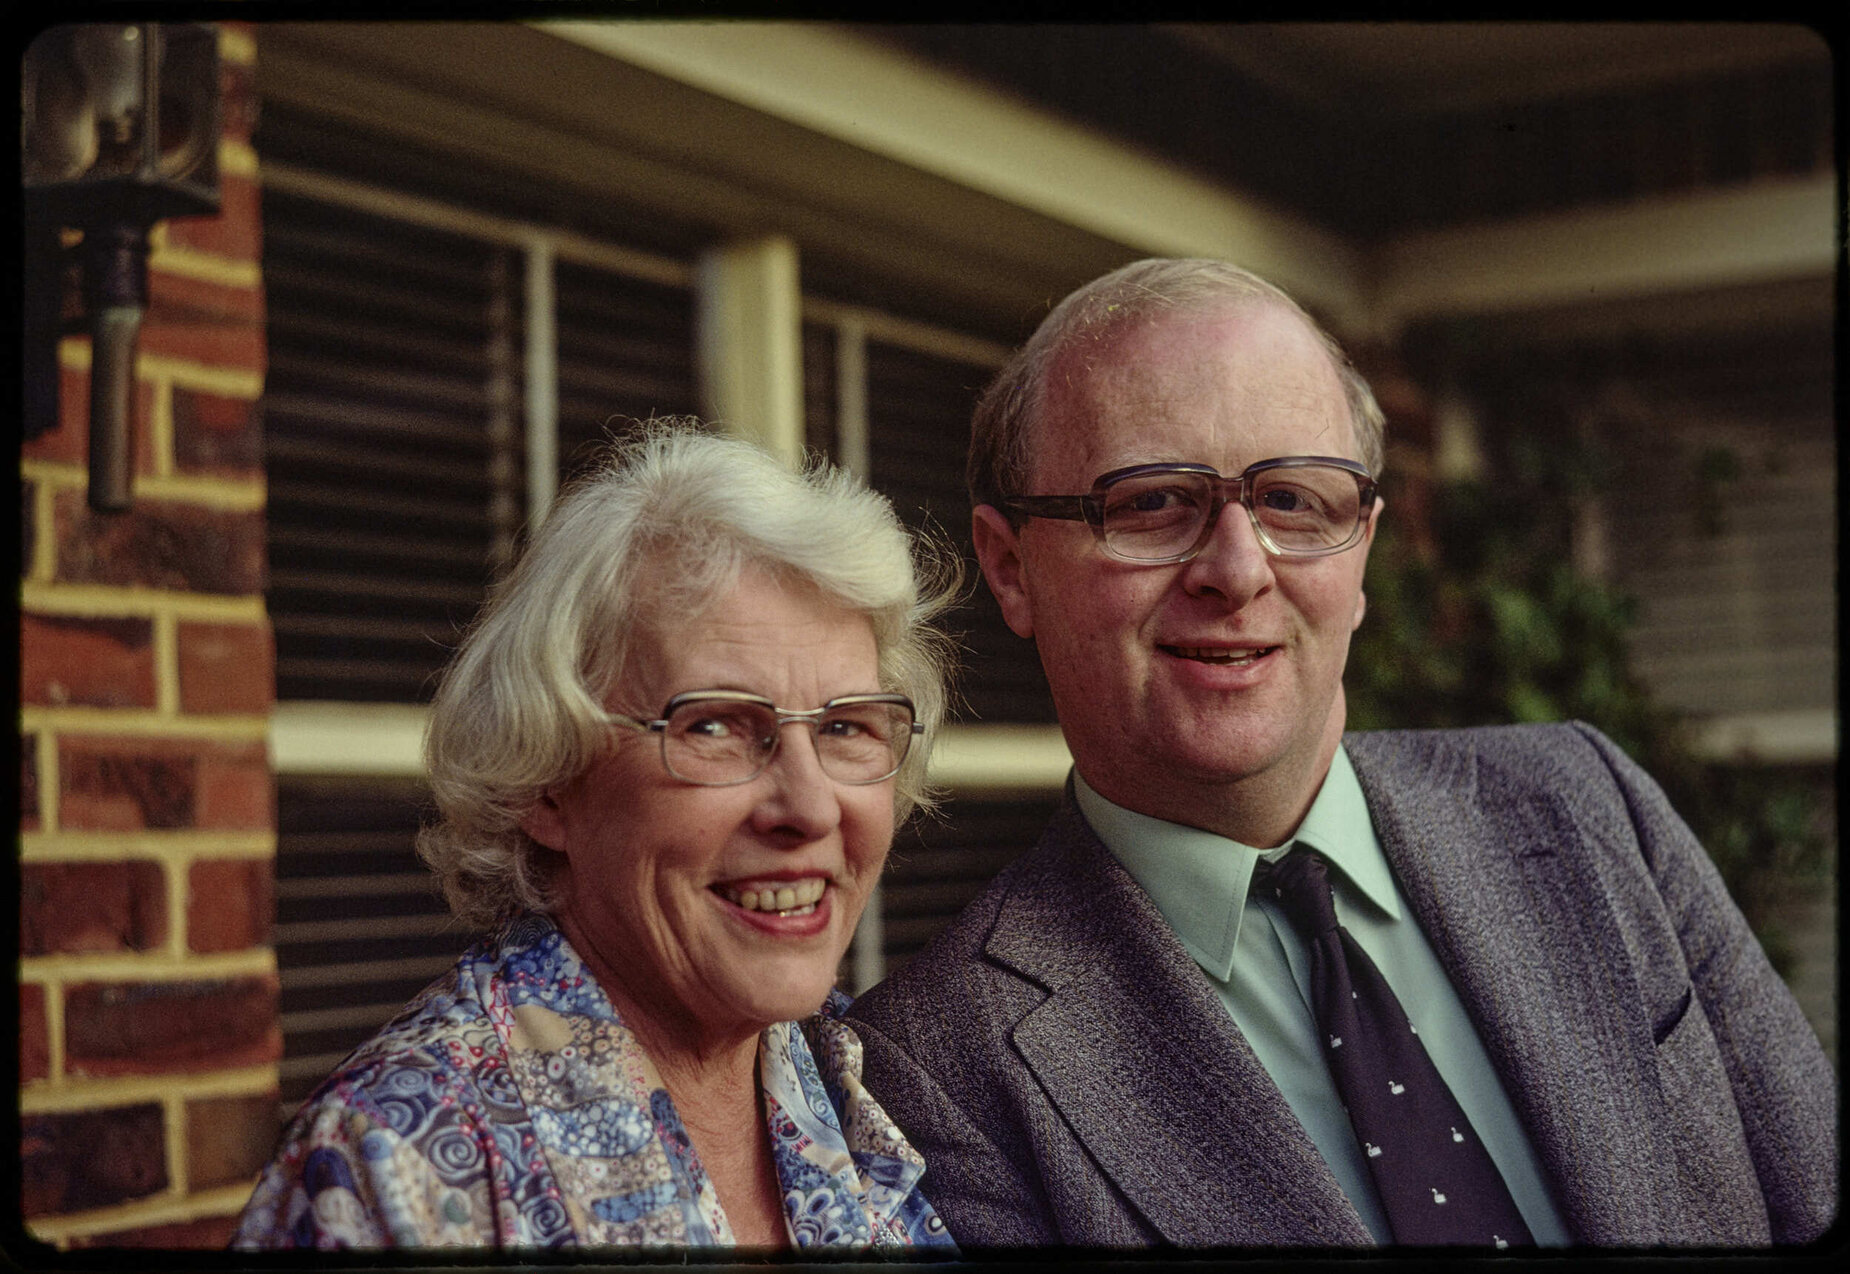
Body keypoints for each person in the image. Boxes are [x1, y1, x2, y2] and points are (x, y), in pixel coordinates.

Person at [845, 258, 1837, 1249]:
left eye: (1292, 499)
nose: (1236, 569)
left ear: (1360, 546)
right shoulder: (934, 1071)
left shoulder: (1583, 799)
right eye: (1149, 501)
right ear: (1009, 565)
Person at [234, 424, 959, 1251]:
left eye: (846, 726)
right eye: (716, 724)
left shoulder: (856, 1079)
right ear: (548, 778)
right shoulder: (391, 1172)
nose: (812, 808)